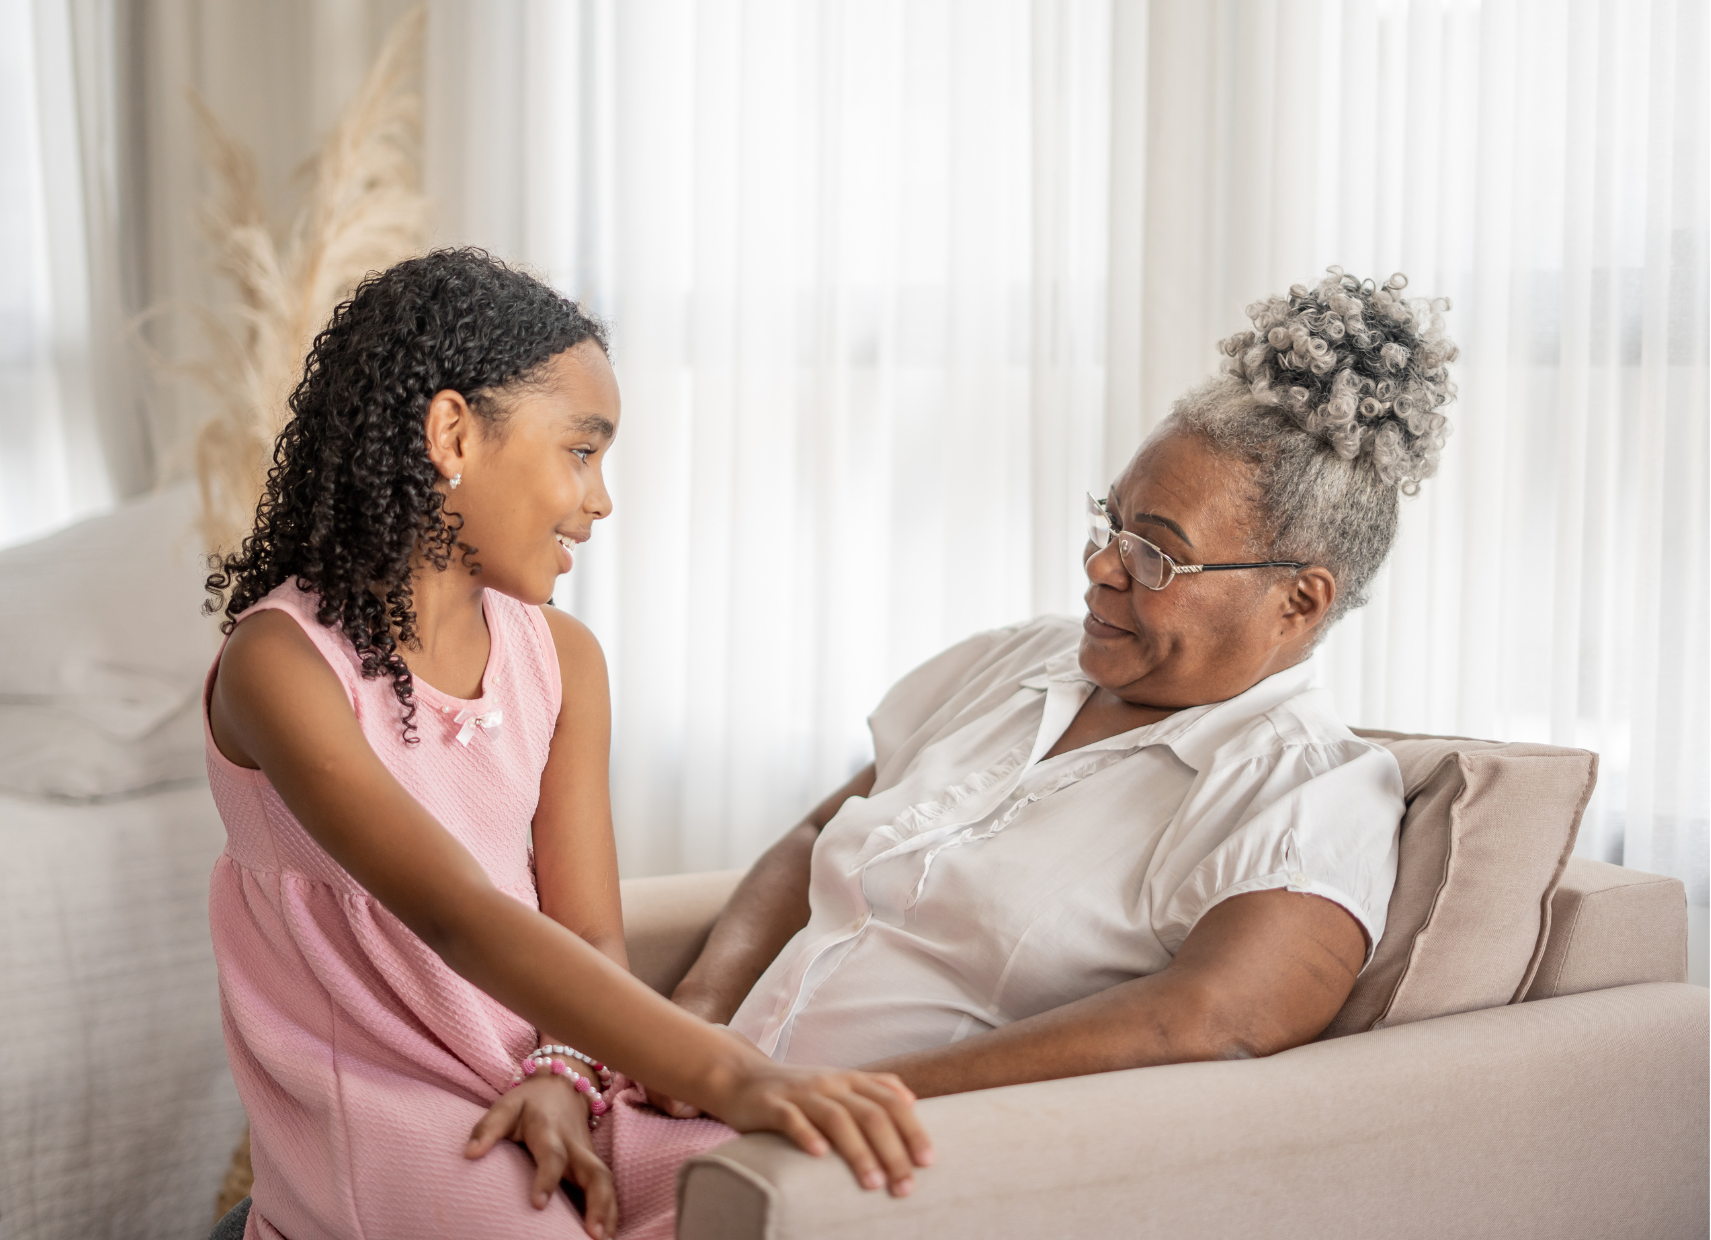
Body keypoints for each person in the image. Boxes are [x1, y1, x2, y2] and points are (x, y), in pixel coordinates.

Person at [203, 250, 931, 1240]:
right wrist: (737, 1074)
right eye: (581, 452)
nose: (600, 501)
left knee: (782, 1195)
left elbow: (587, 931)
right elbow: (457, 913)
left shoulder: (563, 661)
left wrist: (561, 1071)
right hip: (385, 1116)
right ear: (452, 433)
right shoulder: (279, 666)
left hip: (543, 1081)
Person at [650, 269, 1455, 1104]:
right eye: (1109, 524)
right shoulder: (1013, 662)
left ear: (1299, 599)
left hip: (871, 1166)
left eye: (1157, 553)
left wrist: (833, 1100)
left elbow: (1211, 1021)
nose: (1102, 568)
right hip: (705, 1105)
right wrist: (692, 1032)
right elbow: (820, 832)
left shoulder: (1307, 792)